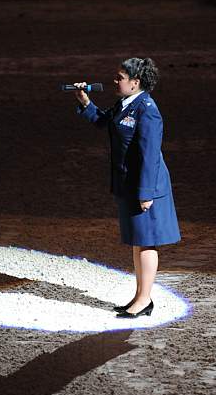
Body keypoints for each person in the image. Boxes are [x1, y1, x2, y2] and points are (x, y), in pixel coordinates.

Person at [73, 57, 180, 318]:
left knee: (146, 243)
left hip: (147, 188)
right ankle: (140, 297)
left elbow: (150, 155)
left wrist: (146, 193)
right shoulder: (126, 104)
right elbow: (105, 122)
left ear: (135, 82)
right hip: (130, 185)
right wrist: (85, 102)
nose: (115, 81)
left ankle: (144, 300)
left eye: (120, 77)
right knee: (138, 242)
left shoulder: (147, 109)